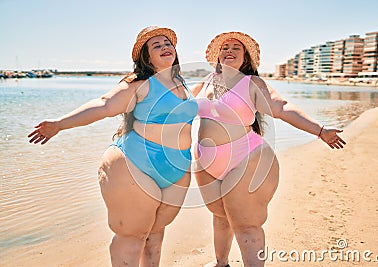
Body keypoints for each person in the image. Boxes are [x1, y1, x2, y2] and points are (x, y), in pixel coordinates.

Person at [28, 26, 198, 266]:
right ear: (146, 57)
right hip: (136, 164)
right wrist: (60, 124)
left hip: (177, 167)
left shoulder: (183, 84)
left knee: (155, 233)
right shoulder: (140, 84)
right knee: (132, 236)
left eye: (167, 43)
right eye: (156, 45)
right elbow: (105, 104)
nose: (164, 47)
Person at [191, 32, 346, 267]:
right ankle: (221, 263)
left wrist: (319, 130)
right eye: (225, 47)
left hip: (245, 157)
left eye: (236, 48)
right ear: (218, 55)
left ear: (245, 58)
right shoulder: (206, 82)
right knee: (221, 215)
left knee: (246, 223)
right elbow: (174, 105)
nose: (229, 50)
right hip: (207, 160)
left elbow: (282, 107)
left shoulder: (252, 84)